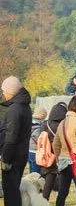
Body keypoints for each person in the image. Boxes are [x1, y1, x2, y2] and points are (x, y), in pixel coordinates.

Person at [0, 76, 33, 205]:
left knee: (11, 194)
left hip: (12, 158)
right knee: (14, 192)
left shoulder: (14, 109)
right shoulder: (25, 107)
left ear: (11, 91)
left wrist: (6, 159)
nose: (3, 93)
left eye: (4, 90)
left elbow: (11, 137)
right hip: (21, 155)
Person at [41, 102, 68, 201]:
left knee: (49, 177)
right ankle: (60, 201)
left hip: (48, 154)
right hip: (61, 154)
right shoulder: (64, 125)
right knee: (64, 179)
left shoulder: (45, 124)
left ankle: (44, 199)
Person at [29, 107, 47, 174]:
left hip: (30, 150)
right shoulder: (37, 126)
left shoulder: (29, 123)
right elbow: (38, 138)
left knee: (32, 173)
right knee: (36, 174)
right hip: (36, 152)